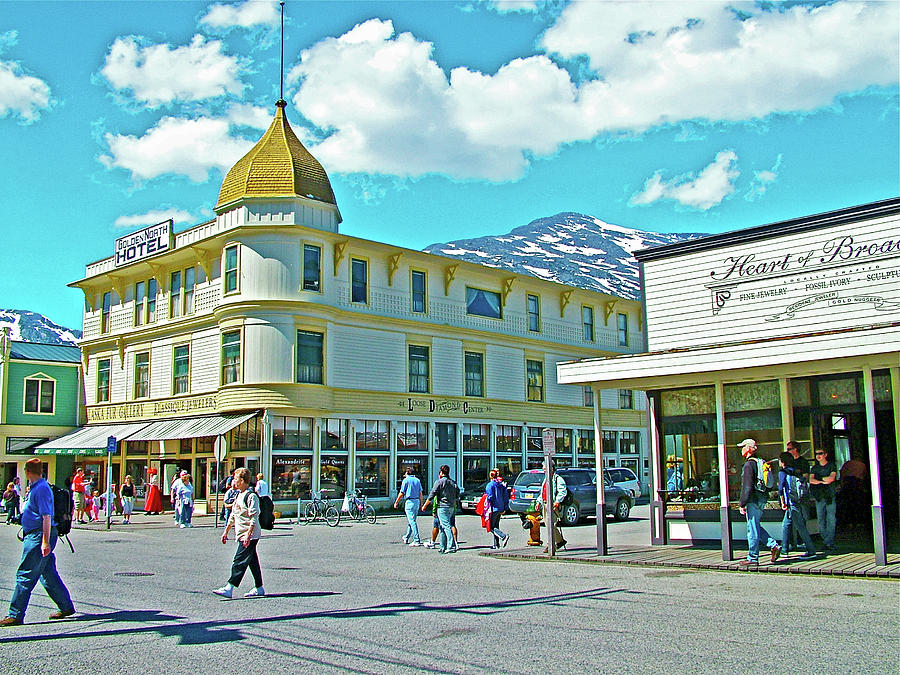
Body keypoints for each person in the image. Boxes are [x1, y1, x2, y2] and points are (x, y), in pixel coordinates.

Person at [1, 458, 75, 626]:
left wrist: (45, 542)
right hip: (36, 534)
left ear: (27, 472)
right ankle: (66, 606)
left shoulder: (41, 489)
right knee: (47, 573)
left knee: (25, 574)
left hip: (38, 536)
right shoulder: (36, 488)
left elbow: (46, 516)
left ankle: (15, 614)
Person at [214, 468, 264, 599]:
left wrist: (248, 534)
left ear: (242, 480)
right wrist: (226, 531)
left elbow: (254, 517)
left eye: (235, 479)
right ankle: (259, 588)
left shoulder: (251, 496)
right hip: (241, 532)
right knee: (252, 561)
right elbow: (234, 515)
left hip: (250, 534)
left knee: (239, 560)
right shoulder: (238, 495)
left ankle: (229, 587)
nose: (233, 481)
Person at [738, 438, 781, 566]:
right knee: (755, 525)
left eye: (743, 447)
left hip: (753, 500)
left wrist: (742, 503)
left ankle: (753, 557)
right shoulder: (760, 462)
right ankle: (773, 545)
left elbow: (747, 486)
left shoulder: (748, 465)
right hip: (762, 498)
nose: (742, 449)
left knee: (752, 528)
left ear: (748, 449)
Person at [778, 452, 816, 560]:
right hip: (797, 500)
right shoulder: (794, 471)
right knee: (786, 524)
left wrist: (783, 502)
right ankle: (784, 549)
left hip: (790, 503)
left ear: (783, 461)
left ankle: (811, 550)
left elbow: (781, 488)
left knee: (800, 526)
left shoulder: (783, 472)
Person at [422, 465, 460, 554]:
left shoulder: (439, 482)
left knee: (446, 526)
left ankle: (451, 546)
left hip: (442, 507)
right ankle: (443, 547)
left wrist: (425, 505)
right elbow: (458, 493)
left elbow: (432, 494)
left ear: (441, 473)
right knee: (442, 527)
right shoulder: (453, 482)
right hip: (451, 507)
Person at [809, 449, 838, 551]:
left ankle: (828, 542)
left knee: (831, 519)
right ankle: (827, 541)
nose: (818, 456)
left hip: (830, 496)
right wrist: (823, 480)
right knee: (821, 520)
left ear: (825, 454)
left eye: (820, 453)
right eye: (817, 454)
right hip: (819, 497)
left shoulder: (831, 465)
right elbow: (811, 480)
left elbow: (832, 478)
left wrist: (819, 480)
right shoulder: (814, 468)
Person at [394, 468, 423, 547]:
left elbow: (401, 493)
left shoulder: (406, 480)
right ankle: (406, 537)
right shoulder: (417, 480)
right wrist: (421, 504)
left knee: (412, 521)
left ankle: (417, 540)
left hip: (409, 502)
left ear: (407, 473)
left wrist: (396, 502)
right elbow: (420, 493)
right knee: (412, 520)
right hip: (416, 501)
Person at [542, 463, 567, 553]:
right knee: (547, 524)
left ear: (551, 468)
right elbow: (543, 492)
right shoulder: (546, 479)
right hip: (545, 504)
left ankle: (551, 545)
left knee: (551, 525)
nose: (544, 470)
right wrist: (539, 502)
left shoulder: (558, 479)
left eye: (545, 468)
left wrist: (557, 501)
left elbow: (562, 491)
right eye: (543, 468)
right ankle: (559, 541)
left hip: (552, 504)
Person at [485, 469, 510, 549]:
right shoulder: (501, 485)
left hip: (493, 508)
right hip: (500, 507)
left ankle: (503, 536)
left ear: (490, 476)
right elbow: (505, 496)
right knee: (496, 525)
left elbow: (490, 497)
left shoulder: (490, 485)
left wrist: (486, 500)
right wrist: (505, 507)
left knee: (491, 526)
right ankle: (496, 544)